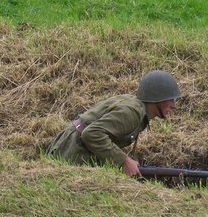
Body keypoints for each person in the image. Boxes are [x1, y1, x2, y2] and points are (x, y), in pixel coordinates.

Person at [47, 69, 183, 176]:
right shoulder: (132, 113)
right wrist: (123, 161)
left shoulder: (136, 107)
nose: (173, 105)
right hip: (72, 151)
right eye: (170, 99)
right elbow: (91, 133)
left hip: (72, 146)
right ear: (156, 98)